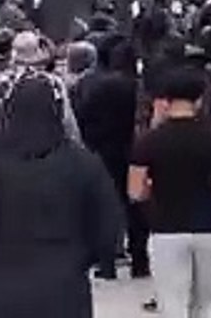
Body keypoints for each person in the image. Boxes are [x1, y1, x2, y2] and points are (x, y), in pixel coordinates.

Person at [0, 76, 122, 318]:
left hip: (3, 281)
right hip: (66, 281)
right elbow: (107, 223)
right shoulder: (81, 162)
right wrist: (88, 258)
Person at [129, 67, 211, 318]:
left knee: (172, 304)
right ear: (199, 100)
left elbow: (135, 192)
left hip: (165, 230)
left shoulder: (148, 141)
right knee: (209, 303)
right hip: (209, 228)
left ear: (165, 100)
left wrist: (152, 192)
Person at [71, 38, 145, 279]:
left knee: (104, 206)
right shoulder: (135, 85)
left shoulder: (91, 84)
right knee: (135, 205)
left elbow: (80, 115)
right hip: (130, 148)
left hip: (99, 149)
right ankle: (140, 260)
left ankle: (107, 262)